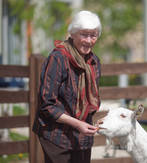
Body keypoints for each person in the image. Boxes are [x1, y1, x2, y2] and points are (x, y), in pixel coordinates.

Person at [32, 10, 102, 163]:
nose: (89, 41)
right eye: (84, 35)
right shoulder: (58, 58)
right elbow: (47, 105)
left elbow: (92, 100)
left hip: (82, 137)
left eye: (93, 35)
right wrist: (77, 124)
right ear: (73, 33)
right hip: (56, 135)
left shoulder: (94, 62)